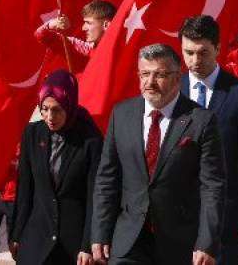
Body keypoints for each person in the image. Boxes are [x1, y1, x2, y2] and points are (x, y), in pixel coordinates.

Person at [91, 44, 224, 265]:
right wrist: (99, 233)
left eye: (160, 75)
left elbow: (212, 186)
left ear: (177, 77)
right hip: (128, 240)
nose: (150, 82)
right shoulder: (122, 114)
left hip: (178, 242)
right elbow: (107, 179)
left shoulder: (200, 120)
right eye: (144, 74)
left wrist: (206, 242)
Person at [179, 15, 238, 265]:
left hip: (227, 214)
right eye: (189, 53)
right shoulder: (173, 90)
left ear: (218, 48)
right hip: (182, 215)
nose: (195, 61)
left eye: (203, 52)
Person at [10, 70, 103, 265]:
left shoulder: (90, 140)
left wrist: (87, 245)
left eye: (57, 109)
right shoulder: (32, 134)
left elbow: (94, 197)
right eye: (45, 108)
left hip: (72, 246)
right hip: (35, 240)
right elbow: (25, 189)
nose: (50, 116)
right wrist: (16, 234)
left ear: (69, 106)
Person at [34, 0, 116, 73]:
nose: (83, 28)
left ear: (106, 25)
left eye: (88, 23)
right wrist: (52, 24)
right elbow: (42, 35)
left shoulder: (123, 50)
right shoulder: (85, 49)